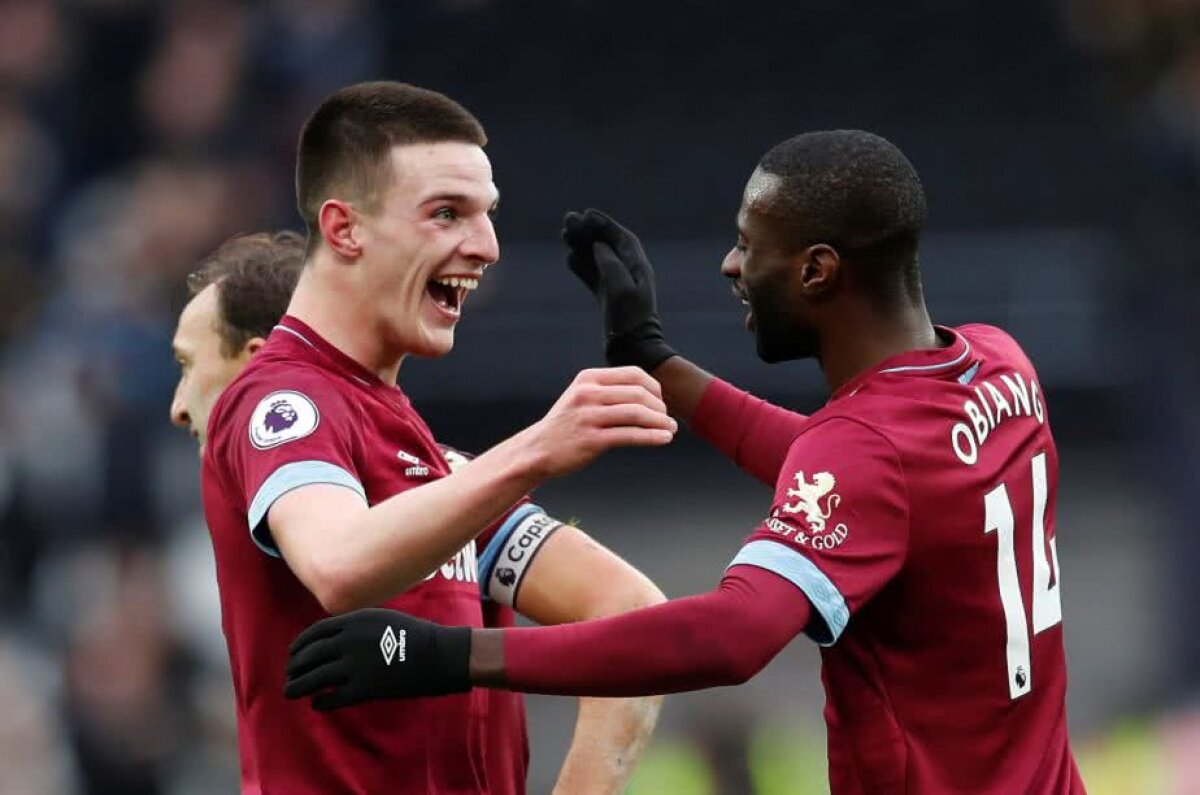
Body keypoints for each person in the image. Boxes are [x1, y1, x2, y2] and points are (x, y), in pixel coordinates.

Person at [285, 130, 1088, 794]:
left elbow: (732, 636)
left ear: (816, 270)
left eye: (747, 246)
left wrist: (444, 655)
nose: (730, 267)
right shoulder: (996, 362)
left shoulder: (865, 451)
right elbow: (847, 473)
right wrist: (655, 361)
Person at [195, 83, 677, 794]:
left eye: (488, 215)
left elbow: (633, 619)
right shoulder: (283, 399)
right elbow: (338, 563)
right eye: (447, 213)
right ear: (344, 228)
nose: (485, 246)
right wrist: (538, 446)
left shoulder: (427, 464)